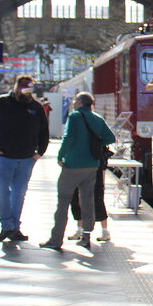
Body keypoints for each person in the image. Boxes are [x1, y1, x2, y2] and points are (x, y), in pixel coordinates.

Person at [42, 91, 115, 251]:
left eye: (75, 100)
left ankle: (56, 239)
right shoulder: (97, 118)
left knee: (63, 201)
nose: (73, 103)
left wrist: (60, 156)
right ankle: (86, 237)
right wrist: (96, 143)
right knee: (87, 201)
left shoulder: (74, 117)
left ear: (81, 102)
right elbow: (110, 138)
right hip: (92, 165)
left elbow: (68, 138)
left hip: (73, 165)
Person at [0, 75, 49, 243]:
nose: (25, 90)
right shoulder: (1, 104)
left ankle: (14, 227)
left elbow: (44, 131)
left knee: (19, 194)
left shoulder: (36, 107)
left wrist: (39, 152)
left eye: (28, 87)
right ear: (16, 87)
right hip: (3, 157)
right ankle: (7, 226)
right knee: (1, 193)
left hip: (27, 158)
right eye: (22, 86)